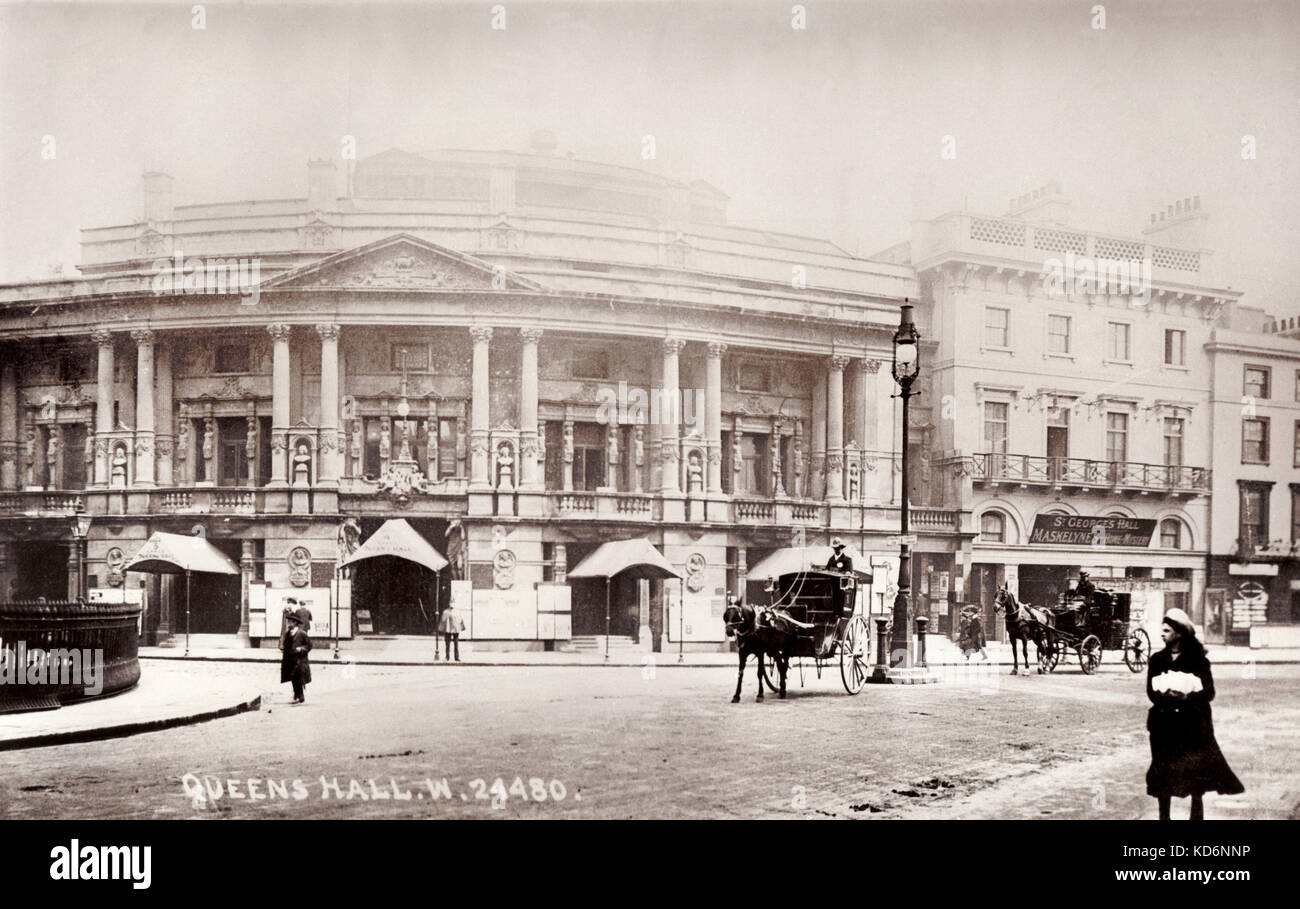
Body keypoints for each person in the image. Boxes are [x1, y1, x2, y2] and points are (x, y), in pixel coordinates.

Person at [1146, 608, 1243, 820]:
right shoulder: (1157, 660)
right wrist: (1169, 697)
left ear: (1179, 633)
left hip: (1192, 725)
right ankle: (1164, 817)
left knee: (1195, 774)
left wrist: (1186, 698)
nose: (1162, 634)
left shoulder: (1198, 660)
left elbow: (1209, 692)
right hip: (1164, 724)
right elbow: (1151, 693)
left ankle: (1196, 817)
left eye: (1167, 630)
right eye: (1162, 630)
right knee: (1163, 771)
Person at [280, 606, 313, 704]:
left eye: (290, 622)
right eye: (288, 621)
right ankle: (296, 694)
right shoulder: (287, 634)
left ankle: (300, 695)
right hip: (290, 659)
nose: (288, 623)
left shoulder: (302, 633)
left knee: (299, 677)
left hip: (300, 660)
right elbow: (286, 645)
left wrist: (301, 649)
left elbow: (309, 645)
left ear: (295, 623)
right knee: (292, 677)